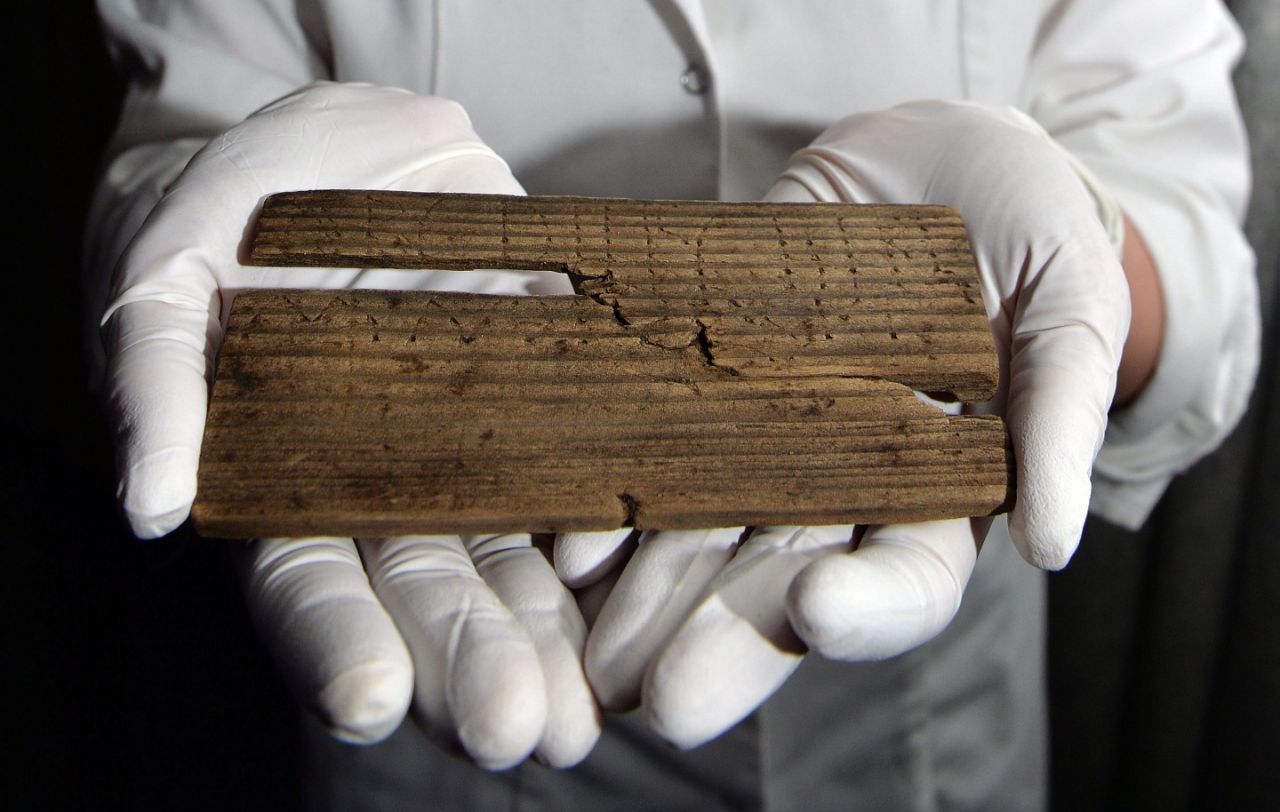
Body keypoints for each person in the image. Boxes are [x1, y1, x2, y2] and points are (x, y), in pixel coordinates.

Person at [85, 1, 1257, 808]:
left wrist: (1076, 247)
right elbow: (177, 148)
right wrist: (217, 209)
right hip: (436, 637)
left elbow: (1189, 227)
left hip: (917, 688)